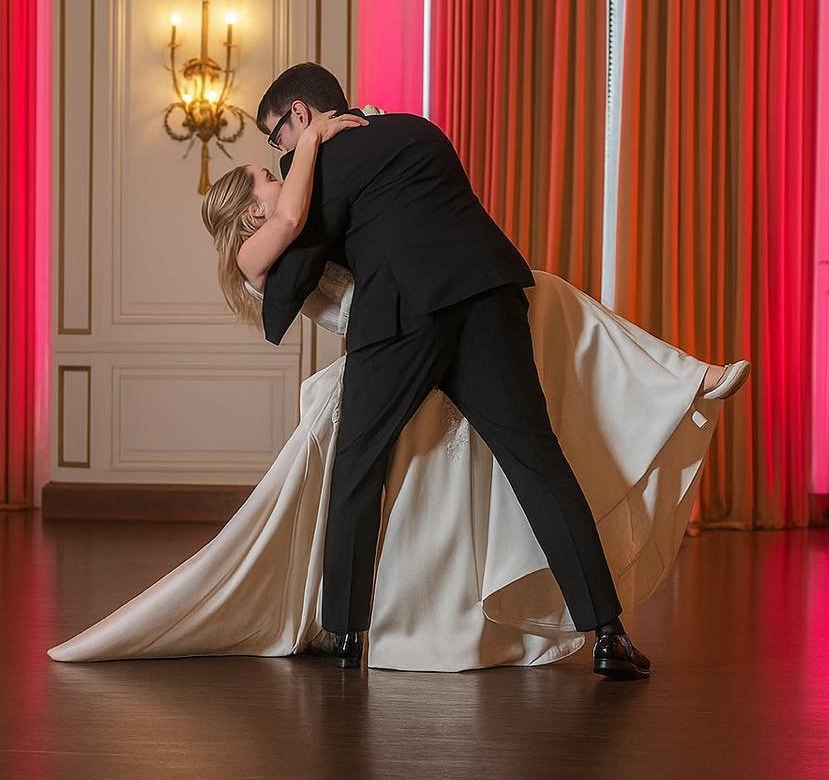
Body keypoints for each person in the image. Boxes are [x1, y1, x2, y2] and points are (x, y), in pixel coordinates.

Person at [46, 101, 749, 677]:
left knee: (359, 469)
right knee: (538, 462)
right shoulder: (371, 157)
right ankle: (608, 631)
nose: (280, 164)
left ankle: (348, 631)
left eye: (275, 149)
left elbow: (320, 235)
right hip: (484, 290)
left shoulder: (317, 185)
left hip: (403, 316)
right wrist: (322, 135)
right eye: (268, 169)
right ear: (251, 211)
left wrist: (318, 144)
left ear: (296, 114)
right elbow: (303, 225)